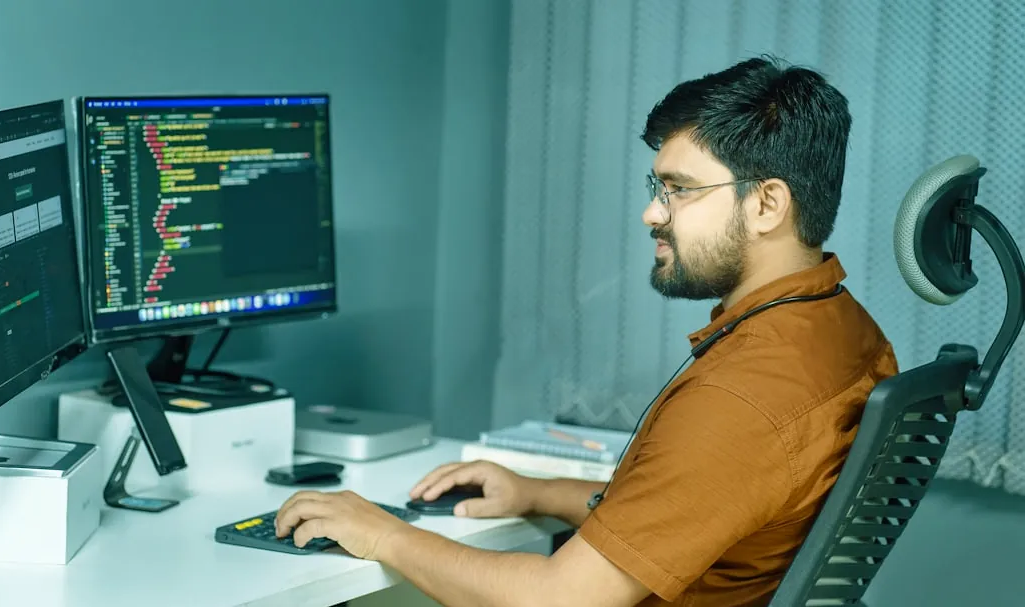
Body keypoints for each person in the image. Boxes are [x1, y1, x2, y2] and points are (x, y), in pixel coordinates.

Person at [274, 55, 898, 607]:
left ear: (767, 204)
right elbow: (705, 501)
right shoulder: (842, 330)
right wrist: (537, 493)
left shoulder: (741, 398)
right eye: (658, 186)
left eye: (679, 190)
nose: (652, 212)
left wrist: (384, 531)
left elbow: (560, 600)